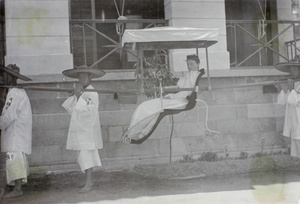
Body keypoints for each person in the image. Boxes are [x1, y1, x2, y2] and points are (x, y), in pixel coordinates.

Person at [123, 54, 204, 142]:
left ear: (198, 64)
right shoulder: (190, 75)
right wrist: (168, 90)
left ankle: (133, 133)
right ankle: (134, 133)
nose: (189, 66)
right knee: (148, 107)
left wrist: (171, 96)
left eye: (192, 64)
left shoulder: (194, 75)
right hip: (178, 98)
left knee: (146, 106)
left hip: (181, 101)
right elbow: (180, 87)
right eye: (188, 64)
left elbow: (186, 92)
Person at [61, 67, 105, 193]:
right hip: (80, 129)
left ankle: (89, 182)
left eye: (84, 77)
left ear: (90, 77)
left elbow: (89, 110)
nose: (81, 79)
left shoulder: (93, 92)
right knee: (83, 156)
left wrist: (79, 96)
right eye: (79, 77)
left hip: (88, 130)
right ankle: (88, 181)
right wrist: (75, 96)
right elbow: (72, 109)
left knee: (87, 156)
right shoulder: (82, 91)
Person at [0, 64, 32, 198]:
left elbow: (9, 114)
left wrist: (0, 123)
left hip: (16, 134)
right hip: (17, 133)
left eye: (5, 75)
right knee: (14, 158)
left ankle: (18, 188)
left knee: (14, 158)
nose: (3, 78)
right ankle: (17, 186)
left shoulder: (15, 93)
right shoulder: (17, 92)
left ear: (11, 77)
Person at [275, 58, 300, 158]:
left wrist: (291, 89)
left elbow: (296, 101)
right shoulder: (293, 83)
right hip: (294, 119)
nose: (292, 72)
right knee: (296, 142)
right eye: (291, 70)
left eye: (295, 69)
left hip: (299, 118)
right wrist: (280, 90)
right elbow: (284, 102)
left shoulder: (293, 85)